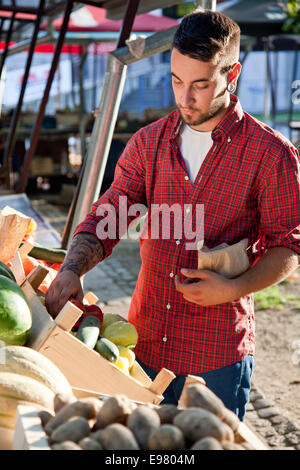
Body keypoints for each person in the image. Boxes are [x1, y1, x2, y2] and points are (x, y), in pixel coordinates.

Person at [45, 9, 300, 421]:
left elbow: (288, 245)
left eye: (200, 84)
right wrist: (73, 267)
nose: (185, 97)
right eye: (177, 81)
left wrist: (231, 289)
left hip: (217, 354)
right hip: (145, 347)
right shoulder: (148, 144)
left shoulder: (272, 154)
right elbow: (109, 213)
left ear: (232, 74)